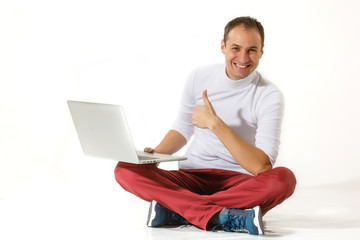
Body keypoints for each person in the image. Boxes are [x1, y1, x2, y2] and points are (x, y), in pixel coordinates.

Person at [114, 16, 296, 235]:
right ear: (223, 46)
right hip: (193, 176)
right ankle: (224, 215)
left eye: (252, 50)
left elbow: (261, 167)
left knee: (283, 179)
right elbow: (182, 128)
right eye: (236, 48)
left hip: (239, 183)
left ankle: (178, 209)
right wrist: (154, 156)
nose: (243, 57)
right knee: (125, 169)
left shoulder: (269, 95)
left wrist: (214, 123)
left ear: (261, 51)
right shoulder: (199, 77)